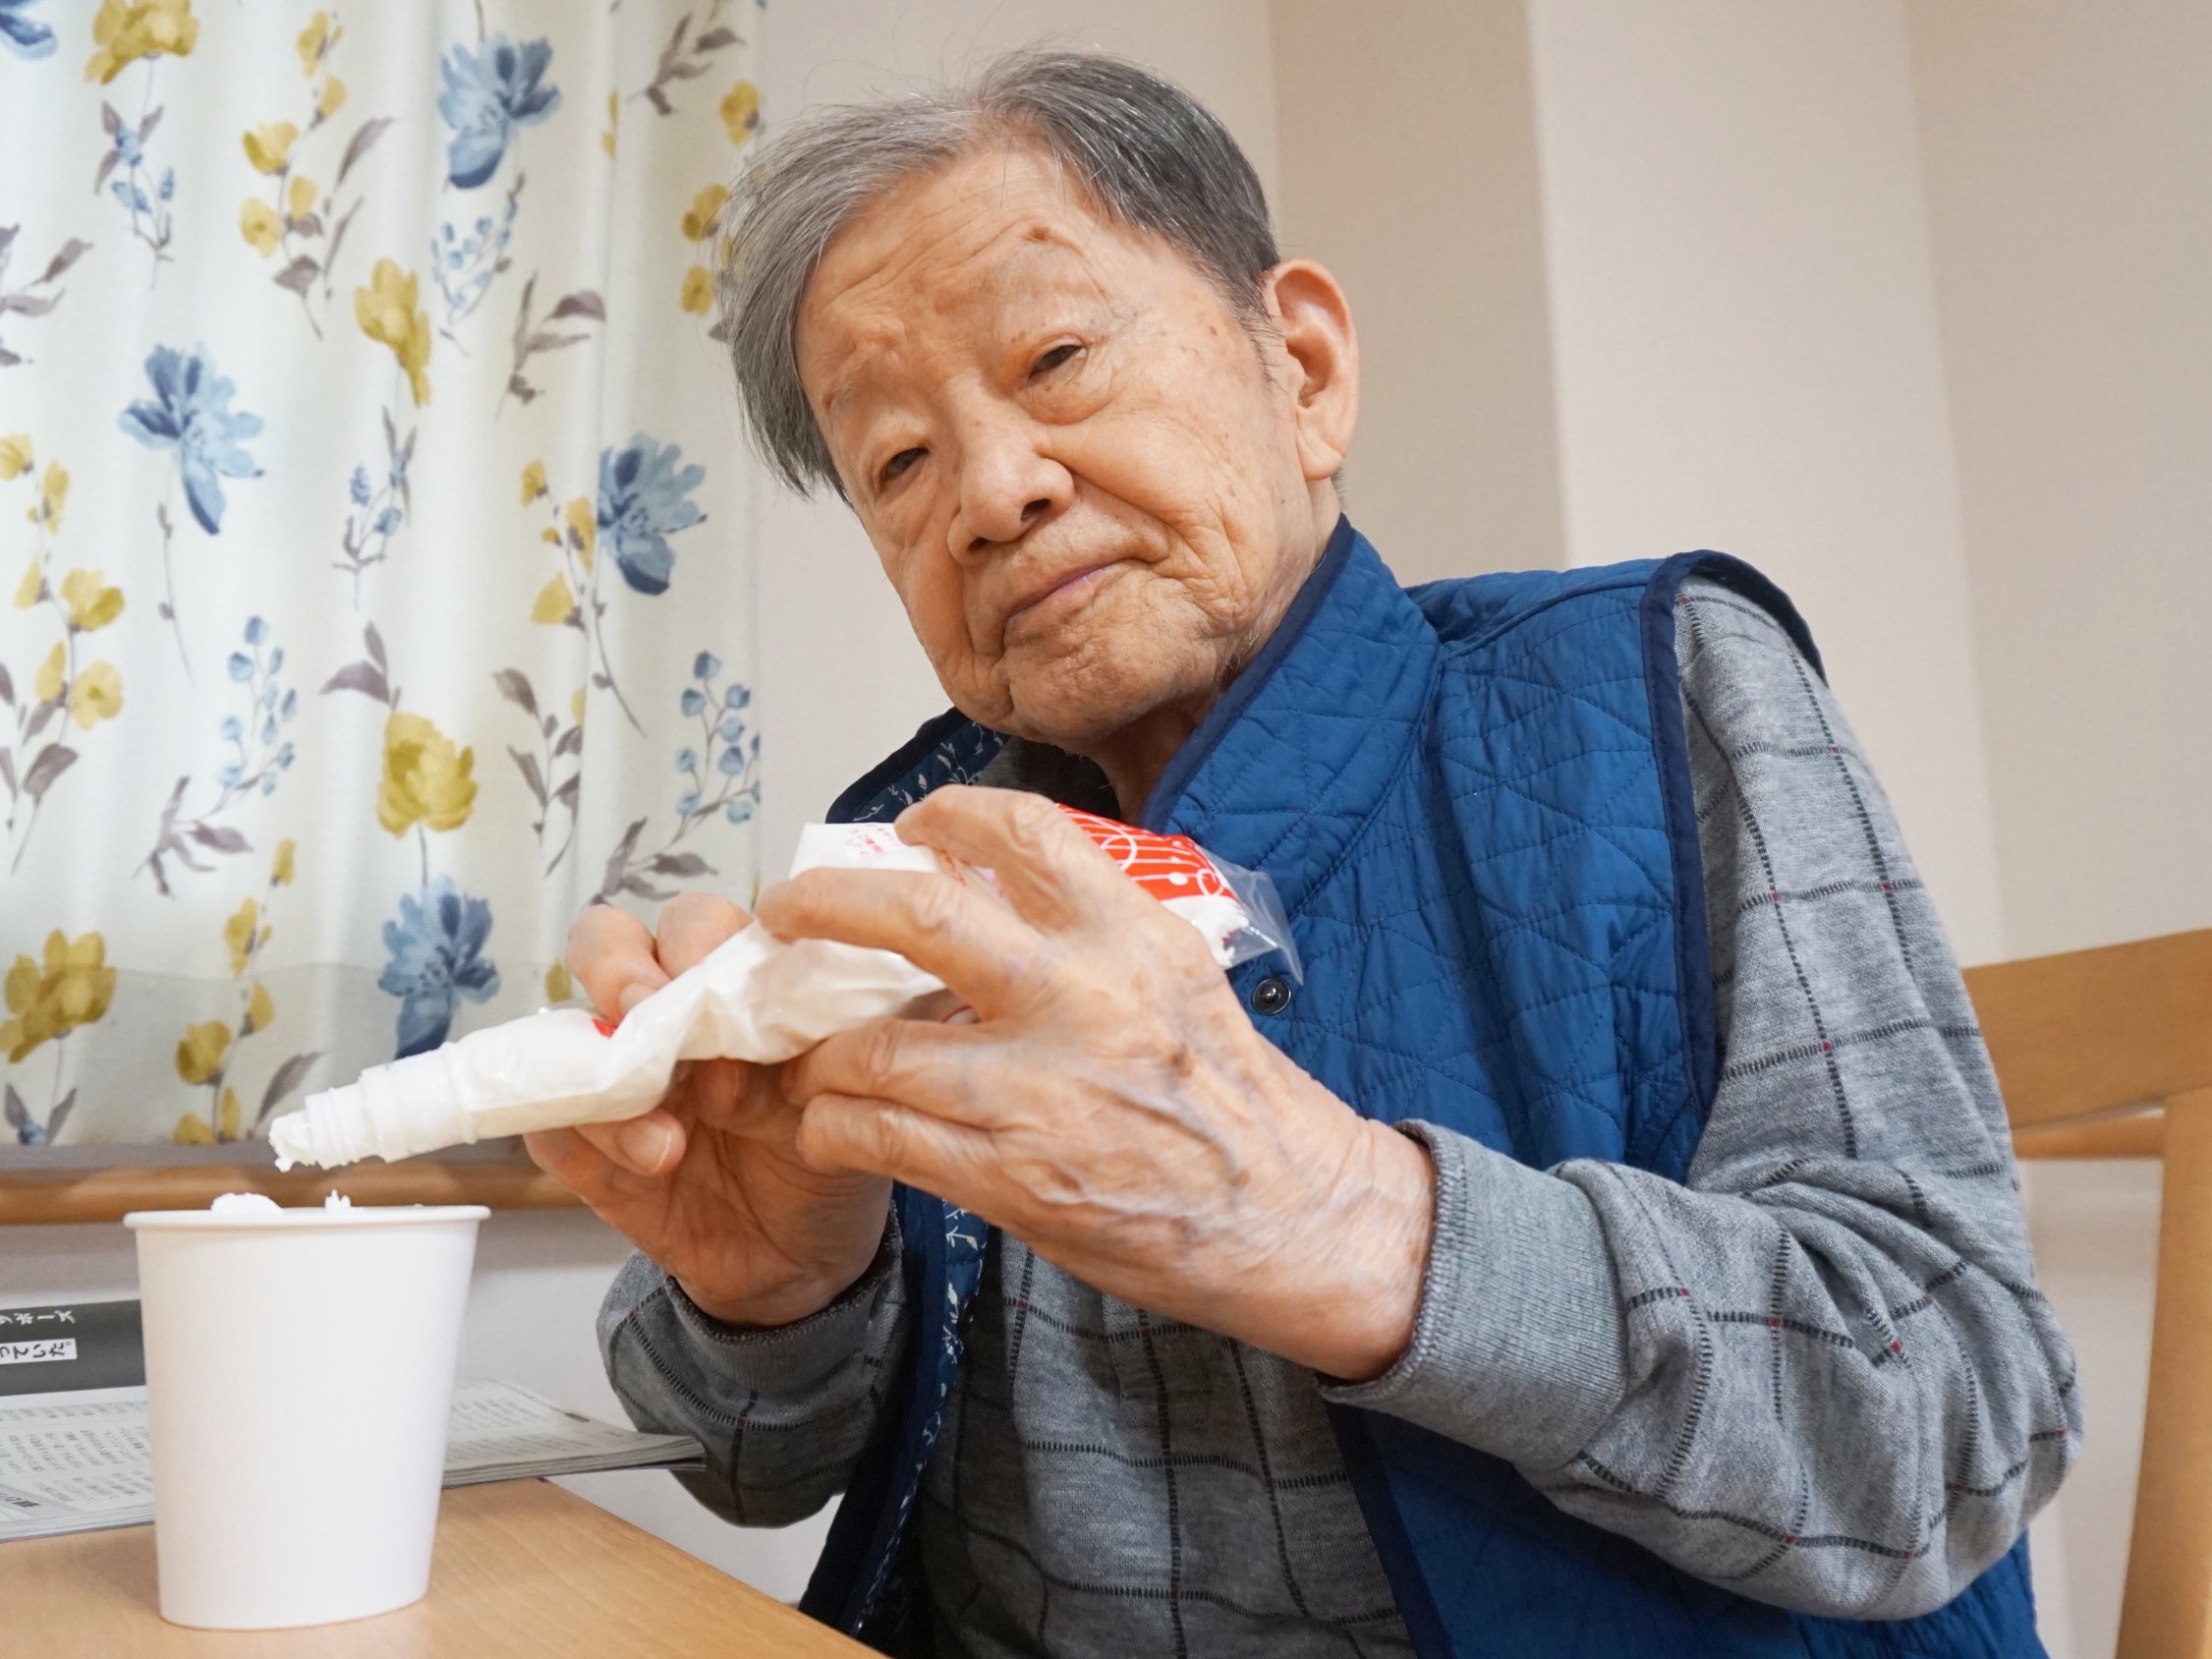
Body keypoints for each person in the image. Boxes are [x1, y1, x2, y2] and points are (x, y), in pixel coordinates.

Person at [526, 49, 2079, 1659]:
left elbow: (1956, 1419)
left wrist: (1350, 1224)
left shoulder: (1659, 685)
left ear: (1307, 370)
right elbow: (747, 1463)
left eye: (1056, 357)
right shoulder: (912, 867)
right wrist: (775, 1294)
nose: (989, 491)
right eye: (898, 465)